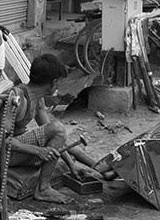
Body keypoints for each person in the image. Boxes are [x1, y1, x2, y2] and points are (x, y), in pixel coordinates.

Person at [8, 54, 108, 204]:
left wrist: (71, 165)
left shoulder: (38, 98)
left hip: (20, 149)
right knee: (58, 128)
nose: (59, 86)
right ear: (54, 81)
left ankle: (99, 167)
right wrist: (38, 151)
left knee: (61, 134)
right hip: (7, 154)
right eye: (59, 82)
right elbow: (3, 141)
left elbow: (57, 138)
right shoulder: (16, 98)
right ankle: (43, 189)